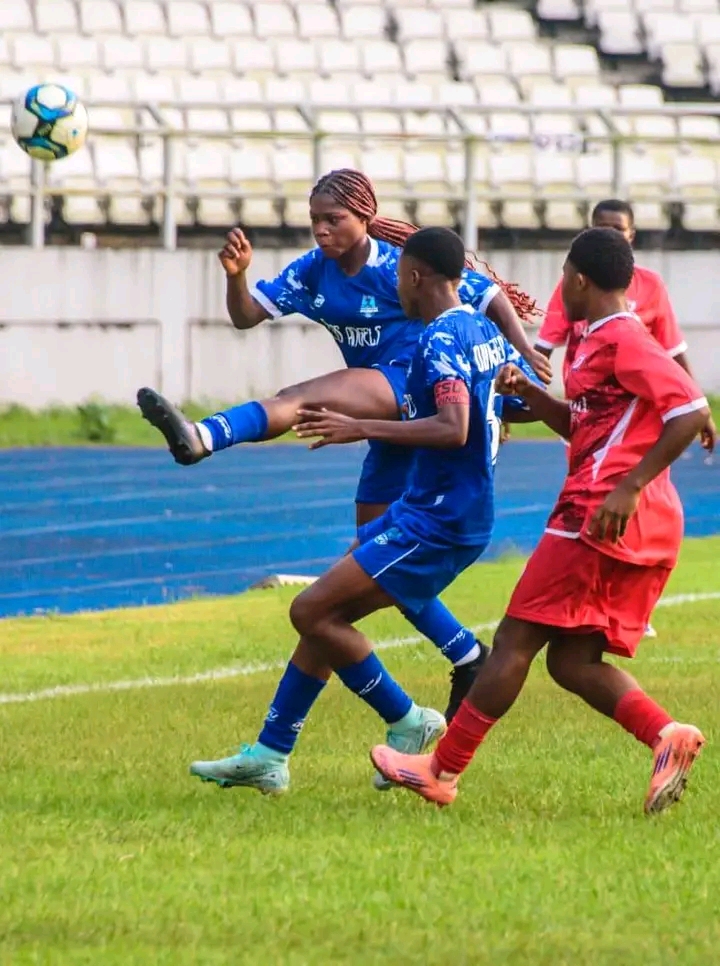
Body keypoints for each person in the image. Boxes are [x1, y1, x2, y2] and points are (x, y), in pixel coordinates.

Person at [138, 169, 549, 721]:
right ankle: (467, 654)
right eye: (315, 221)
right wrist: (237, 277)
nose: (322, 231)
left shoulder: (399, 267)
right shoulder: (314, 271)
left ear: (365, 217)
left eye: (334, 219)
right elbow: (245, 317)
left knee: (301, 396)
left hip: (416, 383)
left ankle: (202, 437)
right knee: (371, 555)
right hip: (402, 428)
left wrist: (526, 353)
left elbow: (487, 292)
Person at [371, 227, 708, 816]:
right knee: (571, 662)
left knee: (512, 642)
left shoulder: (624, 340)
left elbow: (690, 408)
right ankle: (667, 736)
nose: (558, 290)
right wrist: (531, 392)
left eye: (562, 277)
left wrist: (627, 487)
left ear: (578, 280)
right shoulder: (594, 339)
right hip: (617, 515)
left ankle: (441, 769)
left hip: (596, 513)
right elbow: (589, 427)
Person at [188, 226, 530, 795]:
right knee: (327, 608)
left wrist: (361, 426)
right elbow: (500, 406)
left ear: (415, 277)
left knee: (312, 612)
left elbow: (454, 426)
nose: (393, 281)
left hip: (440, 519)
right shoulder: (479, 330)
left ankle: (408, 720)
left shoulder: (438, 342)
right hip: (433, 509)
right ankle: (271, 753)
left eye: (399, 275)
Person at [533, 198, 716, 640]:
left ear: (632, 236)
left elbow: (669, 354)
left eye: (619, 227)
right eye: (602, 226)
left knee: (632, 493)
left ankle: (619, 599)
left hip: (634, 413)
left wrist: (695, 405)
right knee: (591, 494)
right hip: (585, 407)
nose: (612, 233)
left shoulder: (644, 297)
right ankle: (602, 600)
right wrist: (522, 388)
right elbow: (544, 346)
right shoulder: (574, 289)